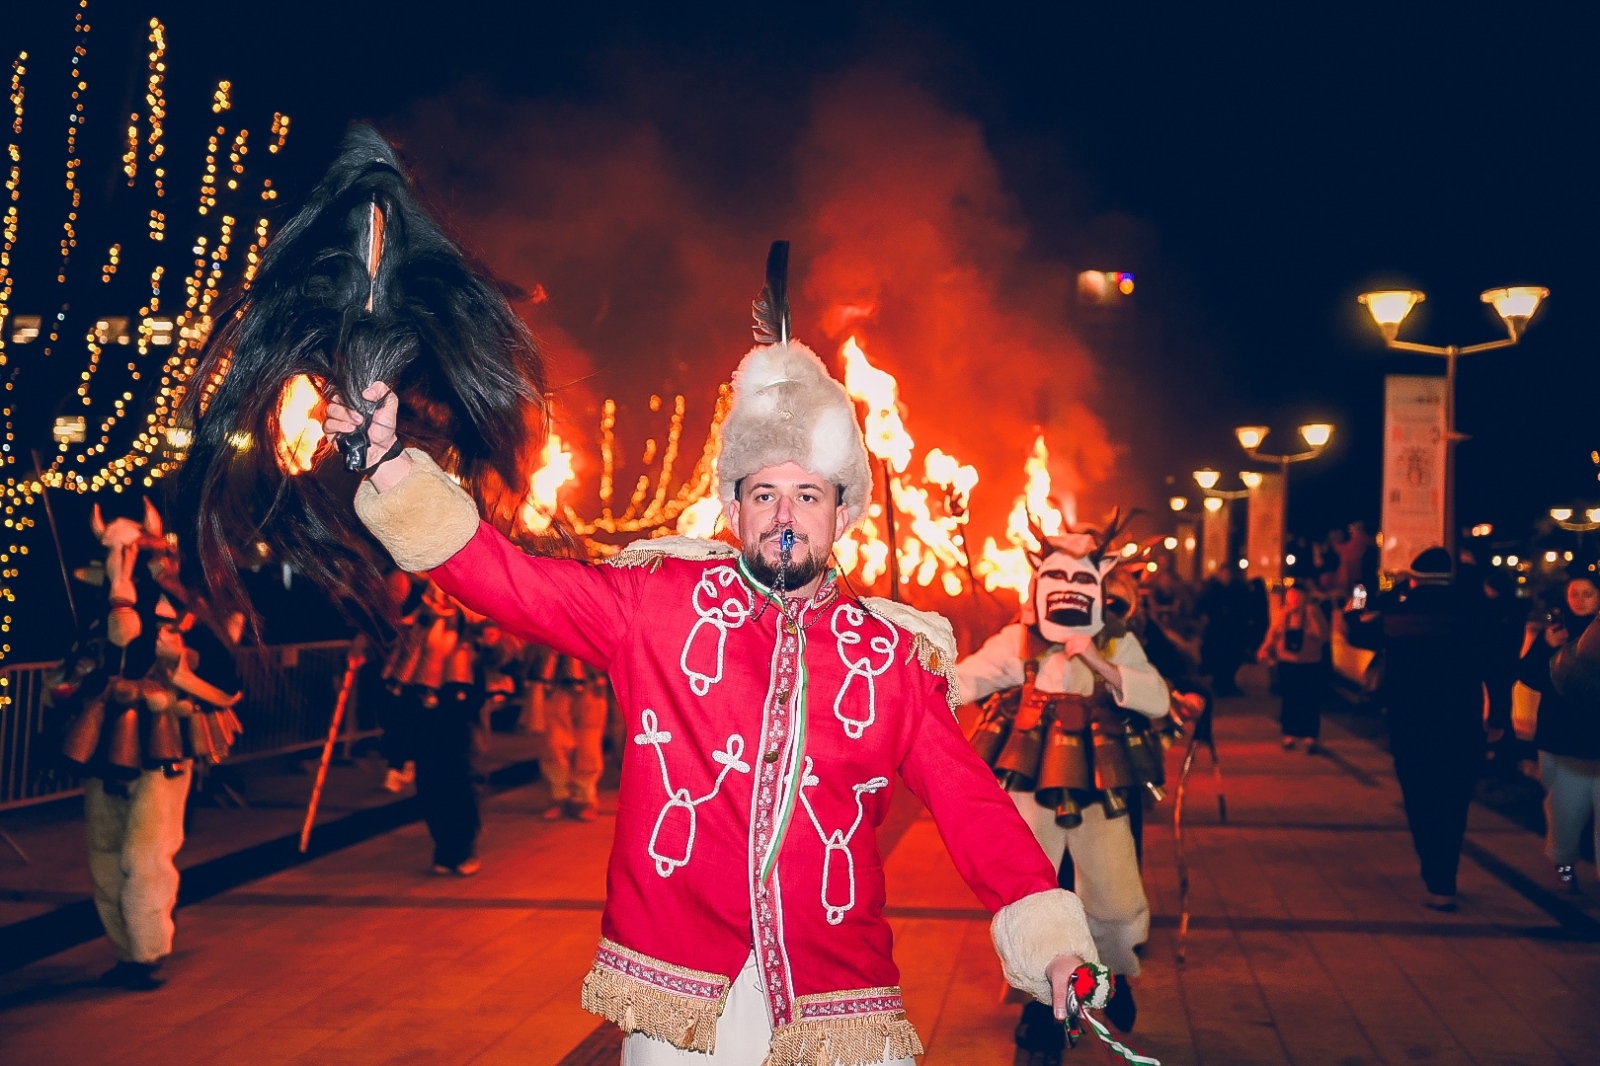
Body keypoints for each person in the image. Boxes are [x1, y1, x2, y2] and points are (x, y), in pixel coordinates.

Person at [323, 257, 1102, 1065]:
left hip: (840, 995)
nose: (785, 515)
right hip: (682, 1009)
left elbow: (973, 803)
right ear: (733, 507)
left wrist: (1052, 941)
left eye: (809, 495)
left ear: (844, 514)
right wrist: (387, 465)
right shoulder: (656, 604)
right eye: (765, 494)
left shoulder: (893, 654)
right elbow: (506, 580)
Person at [954, 519, 1169, 1051]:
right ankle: (1039, 1008)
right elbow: (963, 680)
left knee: (1114, 899)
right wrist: (901, 674)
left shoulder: (1116, 637)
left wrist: (1096, 659)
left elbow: (1157, 697)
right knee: (1034, 896)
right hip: (1033, 780)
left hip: (1101, 782)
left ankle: (1112, 974)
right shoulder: (1019, 639)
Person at [52, 501, 243, 990]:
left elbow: (228, 688)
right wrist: (70, 683)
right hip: (104, 745)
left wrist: (179, 672)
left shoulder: (187, 618)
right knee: (104, 852)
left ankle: (146, 952)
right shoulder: (97, 625)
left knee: (145, 855)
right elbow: (66, 677)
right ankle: (125, 950)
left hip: (162, 747)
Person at [1346, 547, 1490, 911]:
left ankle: (1435, 877)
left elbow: (1358, 632)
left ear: (1414, 579)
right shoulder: (1472, 610)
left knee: (1420, 796)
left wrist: (1356, 600)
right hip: (1461, 722)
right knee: (1454, 799)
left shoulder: (1398, 611)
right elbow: (1494, 662)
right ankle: (1448, 874)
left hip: (1411, 722)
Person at [1517, 573, 1600, 891]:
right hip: (1562, 736)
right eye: (1574, 594)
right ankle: (1564, 867)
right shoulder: (1557, 631)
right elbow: (1529, 676)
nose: (1579, 600)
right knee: (1565, 811)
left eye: (1587, 594)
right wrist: (1547, 648)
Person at [537, 649, 609, 822]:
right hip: (555, 682)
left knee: (588, 744)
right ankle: (559, 796)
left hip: (592, 682)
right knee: (554, 742)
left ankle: (584, 799)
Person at [1259, 583, 1329, 752]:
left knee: (1309, 699)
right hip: (1287, 661)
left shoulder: (1313, 613)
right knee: (1289, 699)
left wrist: (1310, 618)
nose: (1293, 600)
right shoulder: (1283, 613)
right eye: (1291, 596)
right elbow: (1274, 632)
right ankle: (1289, 733)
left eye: (1297, 596)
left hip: (1309, 662)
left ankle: (1310, 735)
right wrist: (1265, 648)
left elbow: (1322, 635)